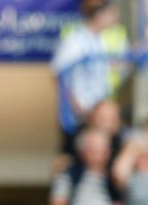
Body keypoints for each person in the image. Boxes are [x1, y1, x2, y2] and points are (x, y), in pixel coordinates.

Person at [51, 2, 122, 147]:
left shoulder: (100, 40)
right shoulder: (76, 40)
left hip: (99, 113)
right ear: (98, 16)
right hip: (80, 115)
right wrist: (74, 104)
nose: (115, 17)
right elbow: (58, 72)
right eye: (110, 14)